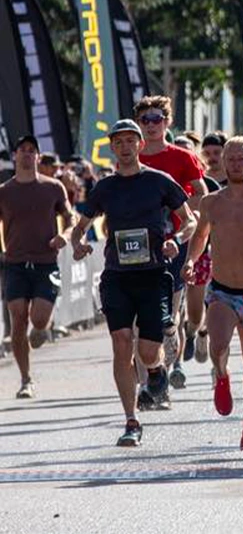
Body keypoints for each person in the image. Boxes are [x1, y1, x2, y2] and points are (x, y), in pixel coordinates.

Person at [70, 119, 195, 446]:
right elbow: (78, 226)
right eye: (119, 142)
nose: (125, 147)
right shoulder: (105, 187)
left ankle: (155, 371)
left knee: (148, 350)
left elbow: (190, 221)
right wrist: (78, 244)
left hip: (153, 275)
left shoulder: (159, 181)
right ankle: (131, 420)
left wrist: (176, 240)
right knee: (122, 343)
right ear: (113, 147)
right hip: (117, 277)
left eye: (130, 141)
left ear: (140, 144)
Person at [181, 137, 243, 450]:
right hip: (221, 291)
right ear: (222, 162)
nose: (234, 163)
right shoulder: (212, 202)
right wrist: (191, 260)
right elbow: (200, 236)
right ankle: (221, 375)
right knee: (218, 346)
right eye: (230, 158)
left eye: (241, 158)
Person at [132, 96, 208, 394]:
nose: (151, 126)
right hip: (138, 245)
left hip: (174, 243)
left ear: (167, 122)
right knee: (140, 320)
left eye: (156, 119)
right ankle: (148, 385)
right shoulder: (130, 156)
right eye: (145, 120)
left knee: (168, 316)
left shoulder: (181, 157)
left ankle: (171, 339)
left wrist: (182, 212)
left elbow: (202, 193)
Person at [0, 135, 74, 399]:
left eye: (32, 151)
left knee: (38, 319)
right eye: (23, 150)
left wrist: (64, 235)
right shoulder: (4, 191)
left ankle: (43, 327)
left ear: (38, 157)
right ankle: (25, 378)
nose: (28, 155)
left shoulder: (53, 187)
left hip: (45, 262)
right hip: (15, 263)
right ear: (15, 156)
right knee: (18, 316)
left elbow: (70, 217)